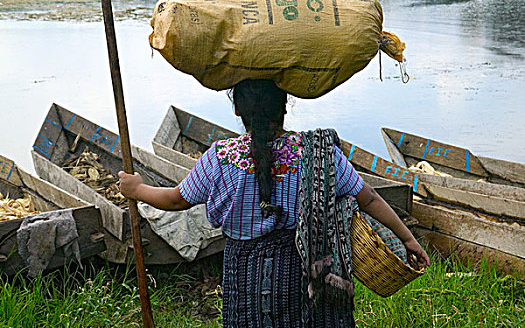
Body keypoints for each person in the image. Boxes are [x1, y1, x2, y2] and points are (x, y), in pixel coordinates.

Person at [119, 79, 429, 327]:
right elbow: (370, 198)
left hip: (244, 275)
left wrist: (137, 189)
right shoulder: (319, 153)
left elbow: (175, 200)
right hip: (303, 274)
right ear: (285, 106)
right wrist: (408, 239)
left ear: (238, 111)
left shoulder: (219, 158)